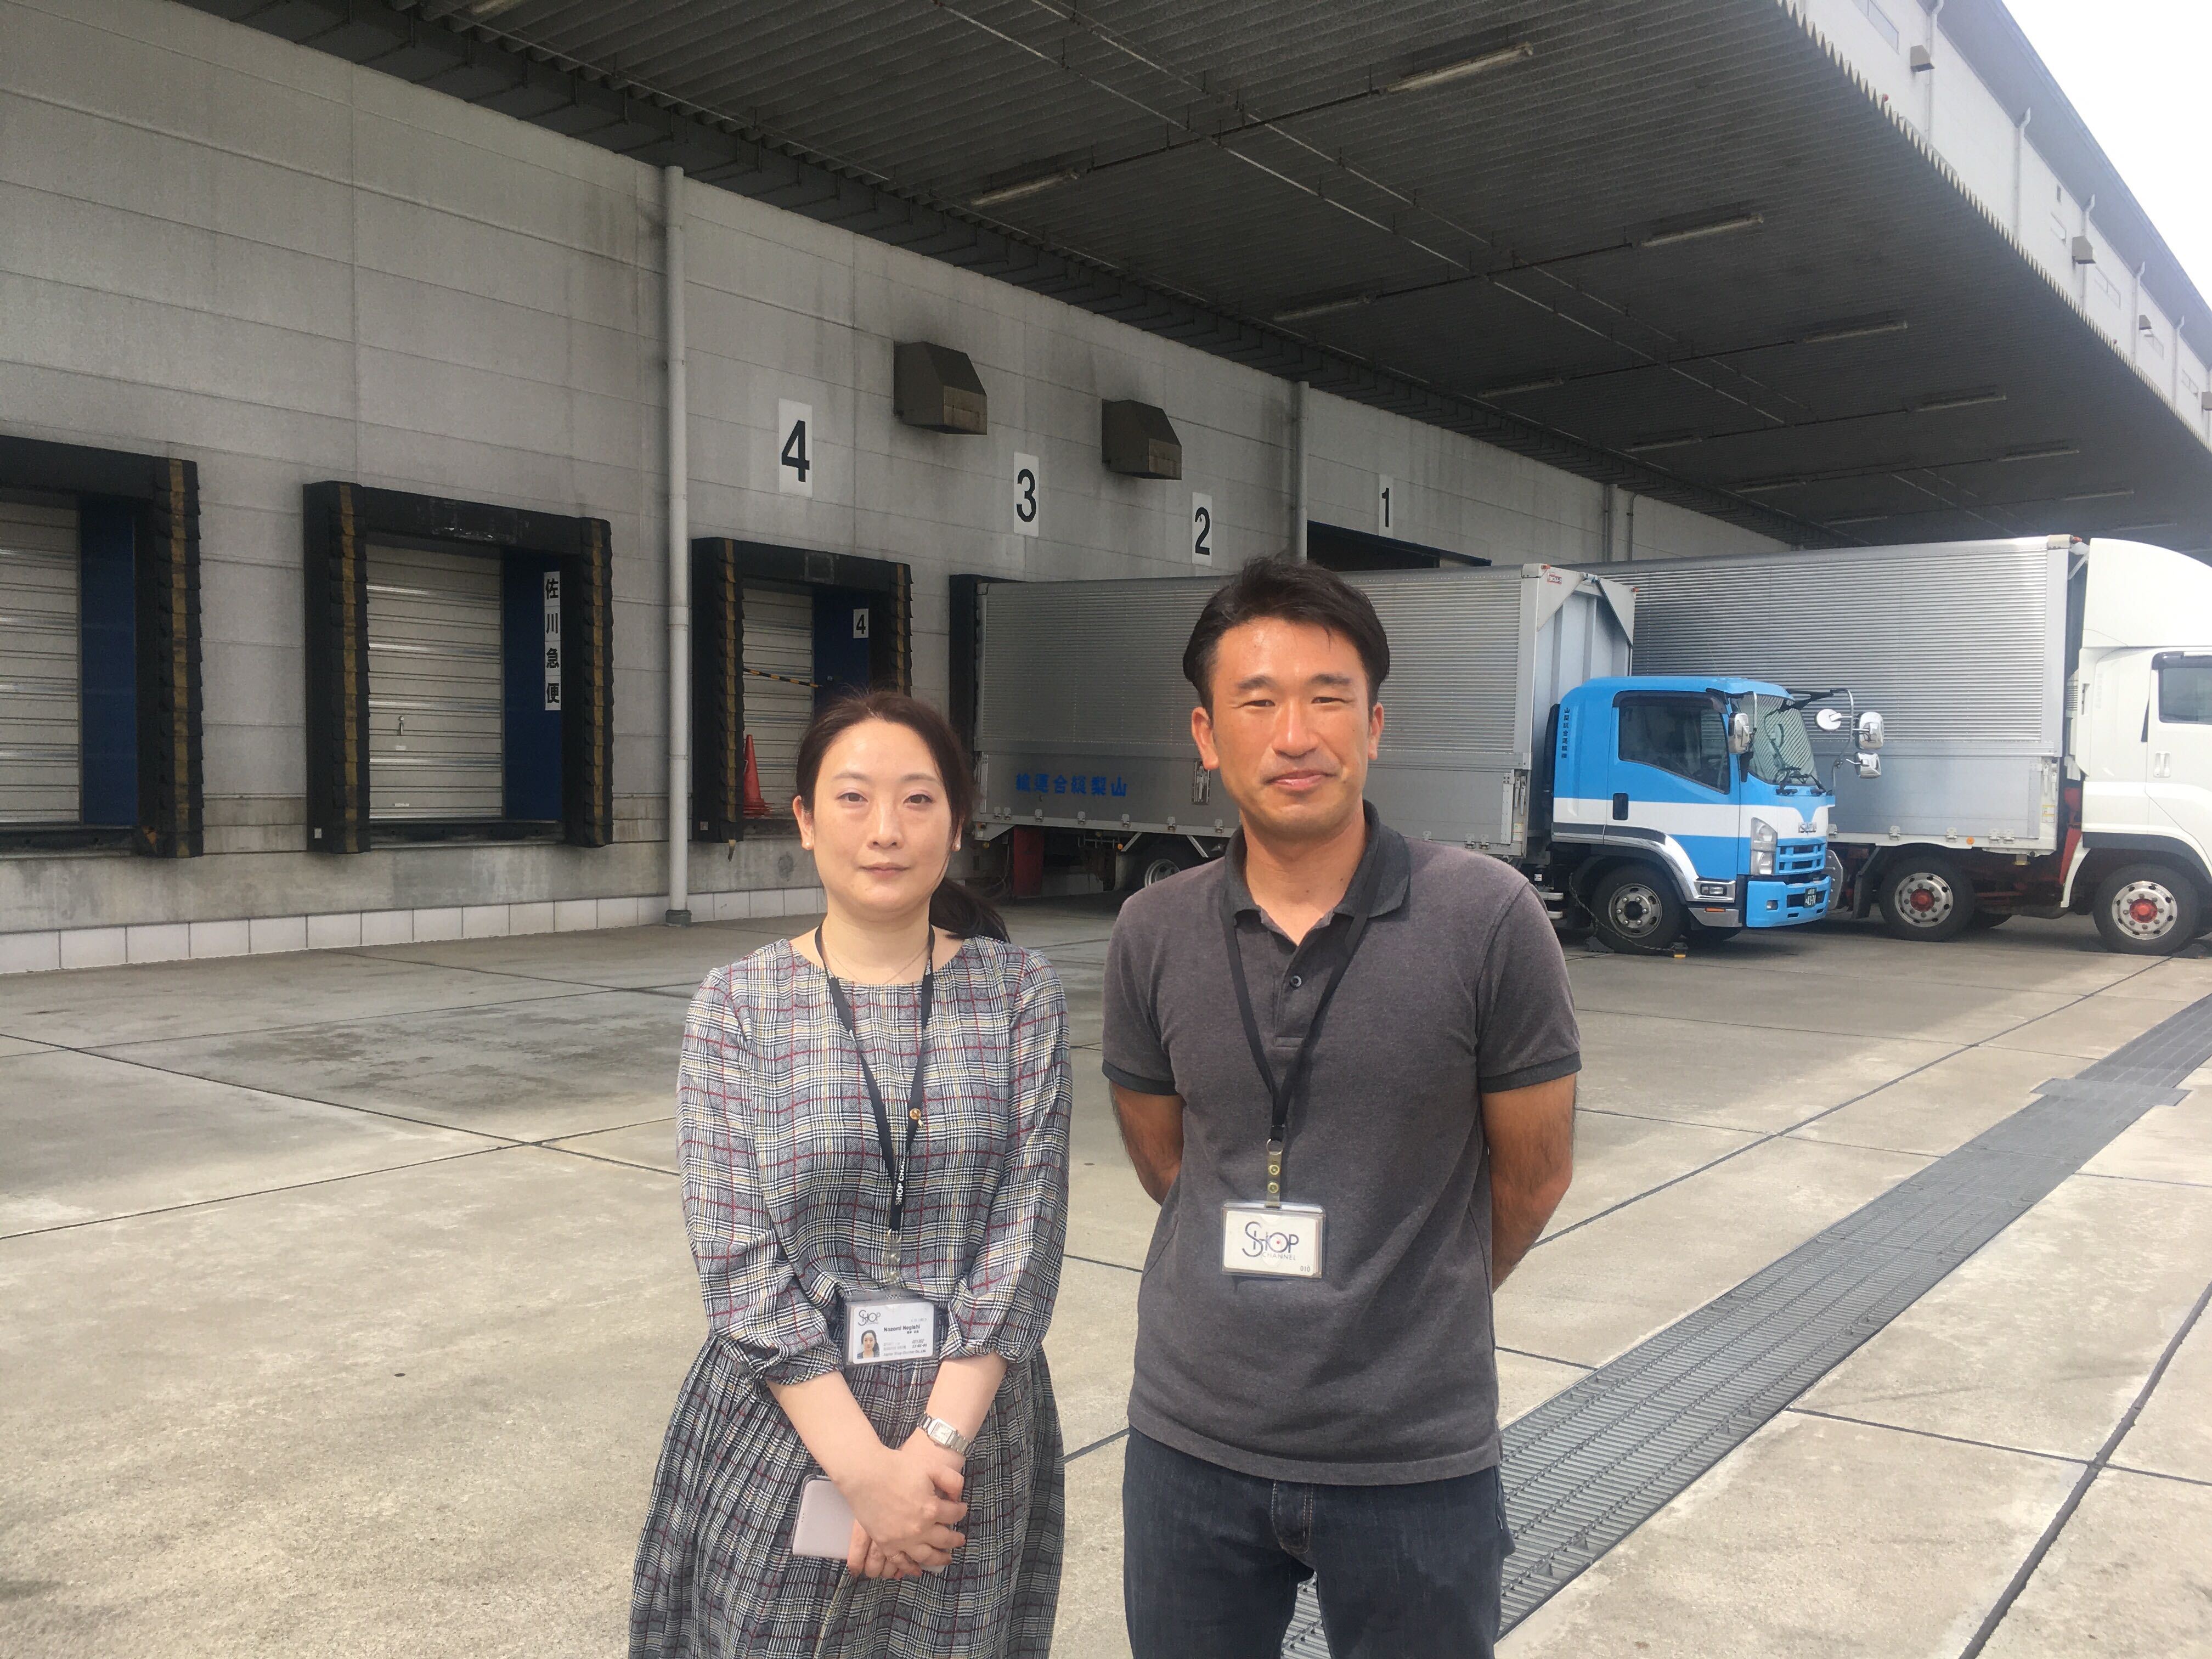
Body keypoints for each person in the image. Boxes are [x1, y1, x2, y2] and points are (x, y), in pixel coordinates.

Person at [1104, 556, 1580, 1659]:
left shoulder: (1487, 917)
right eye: (1257, 702)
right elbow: (1166, 1156)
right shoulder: (1153, 931)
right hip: (1192, 1443)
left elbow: (1535, 1174)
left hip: (1412, 1456)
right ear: (1206, 734)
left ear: (1375, 725)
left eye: (1327, 699)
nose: (1294, 735)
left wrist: (1405, 1298)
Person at [631, 690, 1071, 1658]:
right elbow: (738, 1260)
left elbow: (1026, 1235)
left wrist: (929, 1456)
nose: (885, 830)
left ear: (957, 821)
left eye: (918, 799)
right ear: (803, 819)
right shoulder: (739, 1005)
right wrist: (867, 1474)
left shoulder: (1019, 995)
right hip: (783, 1428)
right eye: (853, 797)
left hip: (969, 1446)